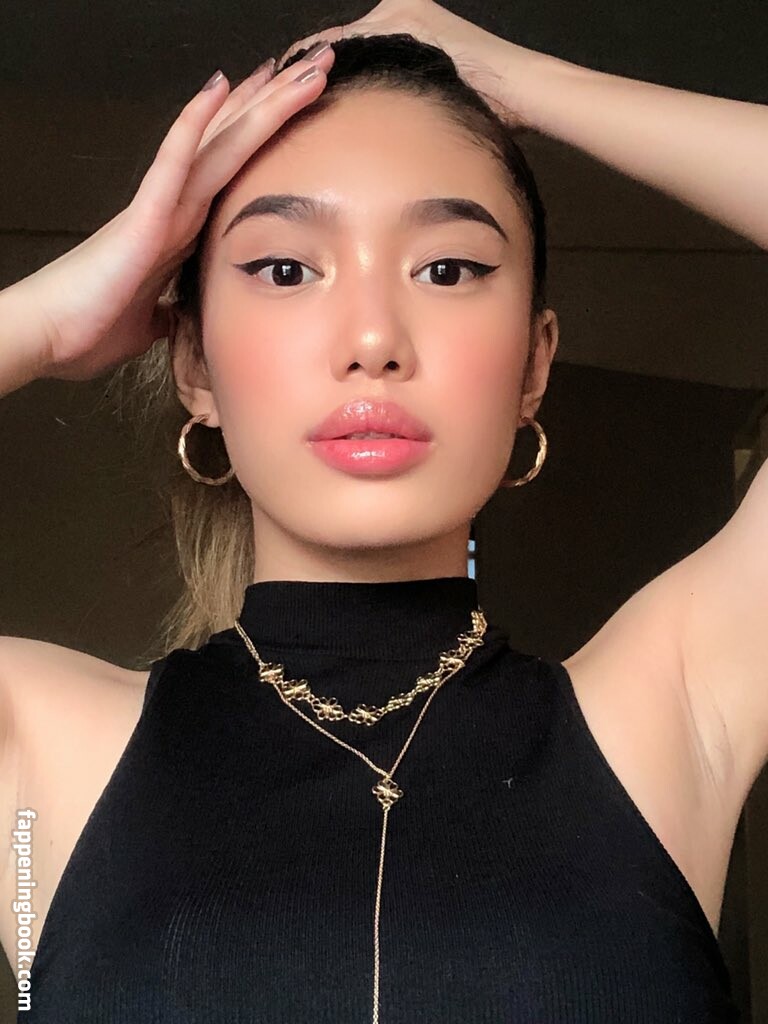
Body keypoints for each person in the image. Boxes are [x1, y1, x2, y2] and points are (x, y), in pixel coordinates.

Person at [1, 0, 766, 1020]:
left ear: (534, 364)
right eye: (285, 269)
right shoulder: (44, 744)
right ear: (195, 362)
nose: (372, 339)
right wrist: (49, 318)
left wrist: (523, 82)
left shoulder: (666, 714)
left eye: (447, 268)